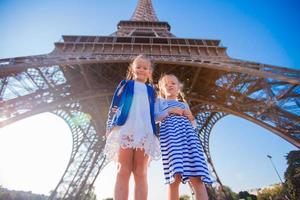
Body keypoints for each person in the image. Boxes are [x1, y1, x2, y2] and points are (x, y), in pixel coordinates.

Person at [104, 55, 161, 200]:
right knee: (123, 169)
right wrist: (109, 126)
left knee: (141, 172)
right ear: (132, 69)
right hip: (126, 127)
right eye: (138, 67)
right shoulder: (125, 84)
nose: (141, 70)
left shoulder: (152, 90)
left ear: (149, 72)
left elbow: (157, 111)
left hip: (145, 131)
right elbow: (114, 106)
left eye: (145, 68)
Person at [155, 74, 213, 200]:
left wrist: (190, 116)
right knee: (175, 177)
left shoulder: (184, 104)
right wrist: (169, 111)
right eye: (166, 84)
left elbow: (193, 124)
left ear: (178, 88)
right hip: (172, 141)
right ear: (161, 89)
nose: (169, 85)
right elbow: (154, 118)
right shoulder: (160, 102)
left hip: (189, 140)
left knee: (198, 178)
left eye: (173, 83)